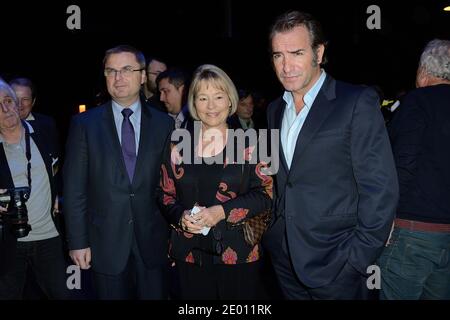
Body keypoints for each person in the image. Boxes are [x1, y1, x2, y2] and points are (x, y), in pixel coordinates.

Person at [263, 11, 399, 299]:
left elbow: (380, 189)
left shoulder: (355, 102)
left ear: (319, 52)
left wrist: (357, 260)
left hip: (338, 263)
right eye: (278, 55)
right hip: (285, 258)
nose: (286, 66)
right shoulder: (275, 109)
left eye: (296, 53)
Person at [63, 45, 173, 299]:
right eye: (110, 71)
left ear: (143, 76)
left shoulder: (164, 124)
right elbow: (74, 188)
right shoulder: (84, 124)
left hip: (154, 241)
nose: (118, 78)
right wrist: (77, 241)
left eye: (126, 69)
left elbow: (171, 186)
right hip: (104, 243)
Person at [158, 64, 273, 300]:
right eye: (203, 98)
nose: (211, 106)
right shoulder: (177, 143)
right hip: (188, 253)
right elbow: (163, 193)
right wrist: (180, 216)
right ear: (193, 103)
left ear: (230, 101)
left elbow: (267, 196)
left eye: (218, 97)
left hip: (239, 253)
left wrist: (222, 211)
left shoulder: (254, 142)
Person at [378, 39, 450, 300]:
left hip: (413, 232)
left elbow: (403, 164)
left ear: (422, 71)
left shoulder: (418, 101)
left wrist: (383, 220)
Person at [0, 80, 69, 299]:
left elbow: (63, 167)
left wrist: (59, 194)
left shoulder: (45, 129)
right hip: (8, 242)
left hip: (49, 237)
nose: (7, 108)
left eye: (8, 100)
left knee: (62, 295)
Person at [9, 78, 59, 150]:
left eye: (25, 99)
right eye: (14, 98)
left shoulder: (47, 124)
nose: (19, 105)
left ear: (33, 102)